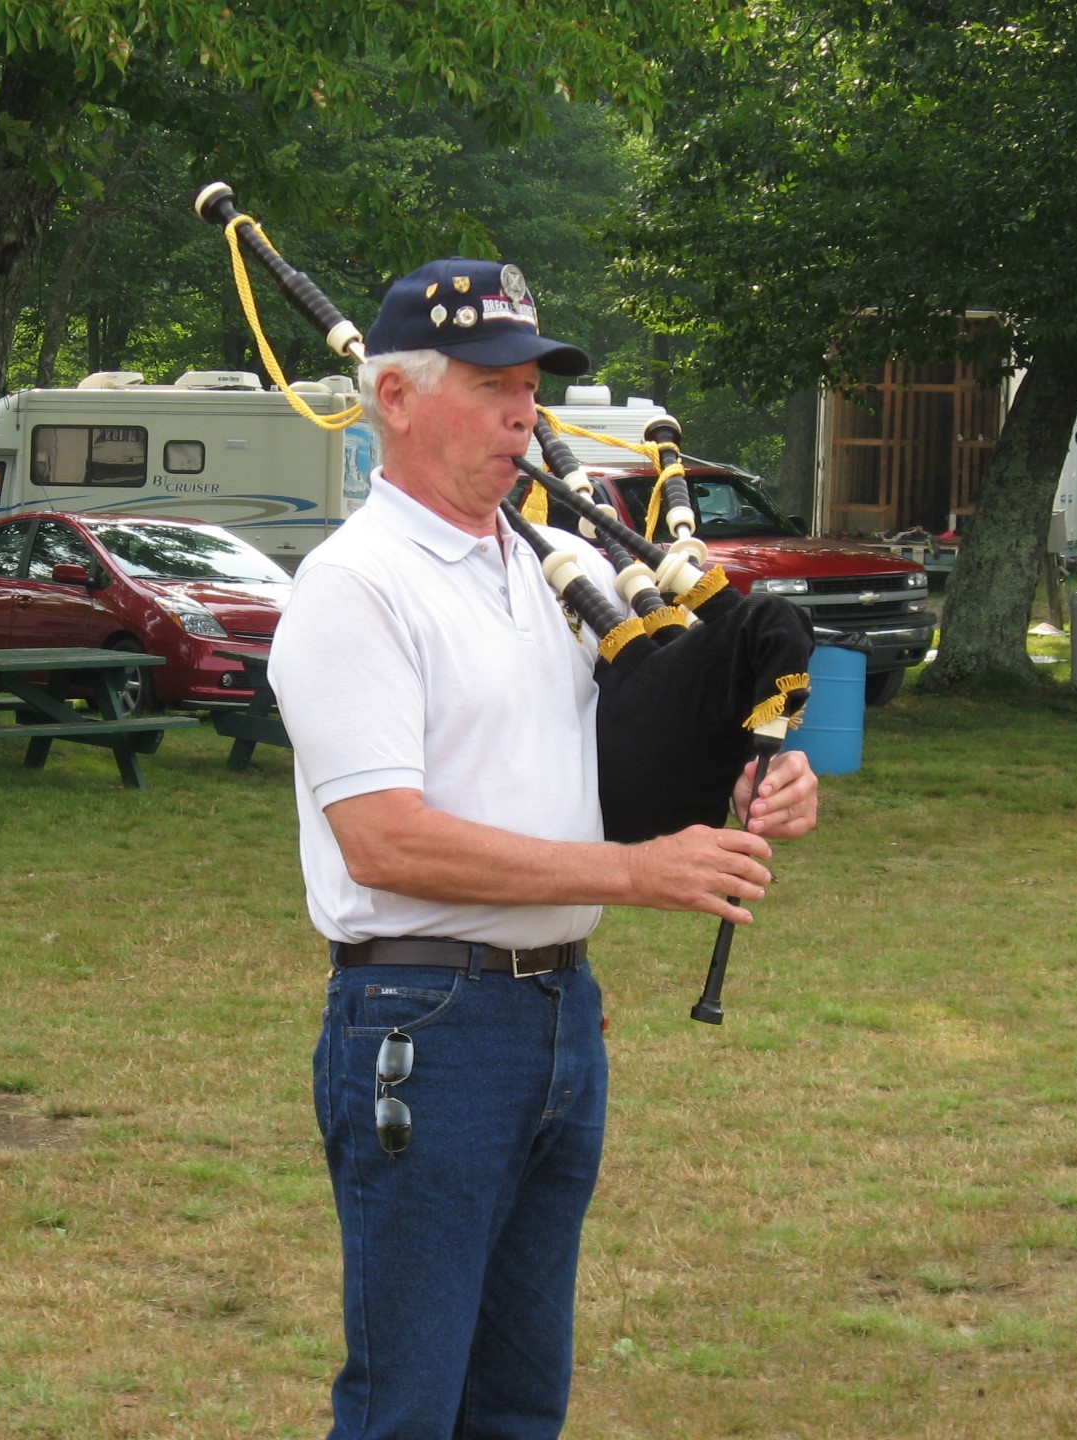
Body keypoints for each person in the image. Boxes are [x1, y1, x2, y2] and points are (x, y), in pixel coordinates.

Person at [267, 257, 820, 1440]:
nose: (525, 413)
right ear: (396, 400)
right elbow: (384, 841)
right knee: (407, 1407)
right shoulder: (354, 587)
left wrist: (753, 776)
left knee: (519, 1404)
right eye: (491, 385)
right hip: (424, 1024)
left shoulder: (537, 569)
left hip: (559, 1019)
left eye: (531, 386)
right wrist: (632, 877)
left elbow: (603, 769)